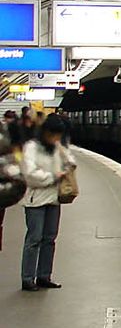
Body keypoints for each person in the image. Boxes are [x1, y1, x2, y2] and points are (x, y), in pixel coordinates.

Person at [20, 114, 75, 291]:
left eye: (59, 135)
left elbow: (71, 162)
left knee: (49, 239)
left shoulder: (56, 147)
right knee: (34, 239)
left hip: (53, 199)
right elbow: (29, 174)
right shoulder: (31, 147)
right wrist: (52, 177)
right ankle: (28, 278)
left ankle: (44, 276)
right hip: (35, 200)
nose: (57, 138)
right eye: (54, 135)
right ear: (45, 133)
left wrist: (64, 156)